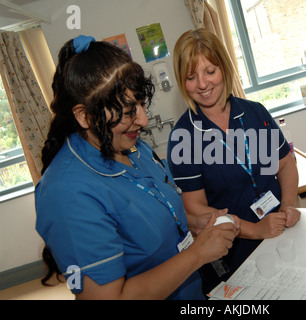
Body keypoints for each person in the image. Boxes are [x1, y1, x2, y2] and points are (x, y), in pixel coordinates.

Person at [35, 35, 239, 300]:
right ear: (84, 116)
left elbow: (143, 215)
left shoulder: (131, 146)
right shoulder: (66, 192)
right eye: (129, 111)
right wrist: (197, 254)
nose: (142, 120)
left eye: (141, 104)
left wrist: (194, 223)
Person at [167, 28, 301, 293]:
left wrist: (288, 206)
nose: (203, 84)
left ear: (224, 68)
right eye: (191, 77)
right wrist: (256, 229)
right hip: (233, 250)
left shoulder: (254, 113)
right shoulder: (184, 137)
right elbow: (196, 211)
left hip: (281, 229)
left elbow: (285, 164)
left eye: (210, 71)